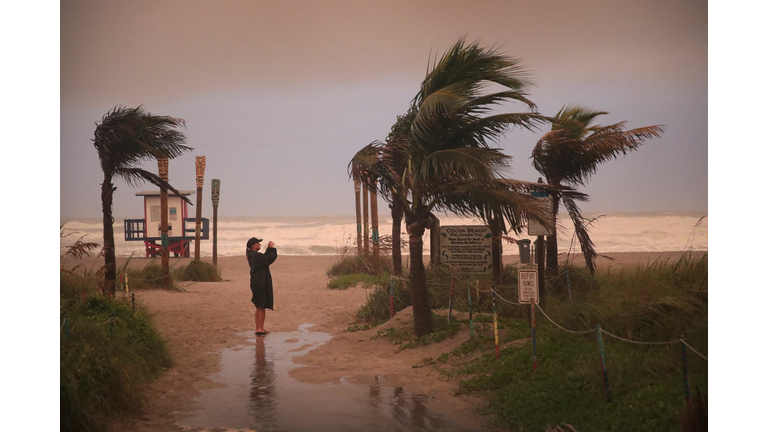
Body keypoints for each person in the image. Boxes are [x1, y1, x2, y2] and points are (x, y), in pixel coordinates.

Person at [246, 237, 277, 336]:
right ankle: (260, 328)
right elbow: (268, 259)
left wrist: (269, 249)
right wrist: (271, 248)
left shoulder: (253, 255)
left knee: (259, 306)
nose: (259, 245)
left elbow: (265, 258)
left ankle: (258, 328)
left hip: (257, 281)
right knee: (261, 306)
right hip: (260, 282)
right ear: (253, 245)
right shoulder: (254, 256)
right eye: (258, 243)